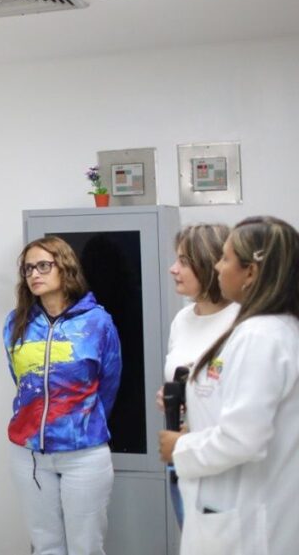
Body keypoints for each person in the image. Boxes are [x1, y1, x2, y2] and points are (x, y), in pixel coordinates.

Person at [159, 216, 299, 555]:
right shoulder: (271, 329)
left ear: (250, 272)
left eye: (225, 258)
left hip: (245, 517)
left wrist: (181, 446)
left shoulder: (260, 336)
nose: (218, 267)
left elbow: (243, 438)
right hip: (233, 502)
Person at [3, 236, 122, 555]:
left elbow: (108, 385)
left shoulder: (97, 322)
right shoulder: (16, 323)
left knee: (86, 547)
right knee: (46, 545)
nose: (34, 274)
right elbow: (21, 381)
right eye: (28, 268)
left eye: (43, 266)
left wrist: (79, 423)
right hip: (29, 454)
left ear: (65, 267)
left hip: (83, 453)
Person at [155, 224, 239, 526]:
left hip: (223, 465)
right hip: (182, 457)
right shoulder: (182, 319)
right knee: (193, 540)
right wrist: (171, 396)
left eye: (184, 262)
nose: (173, 269)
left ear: (209, 264)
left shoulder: (242, 322)